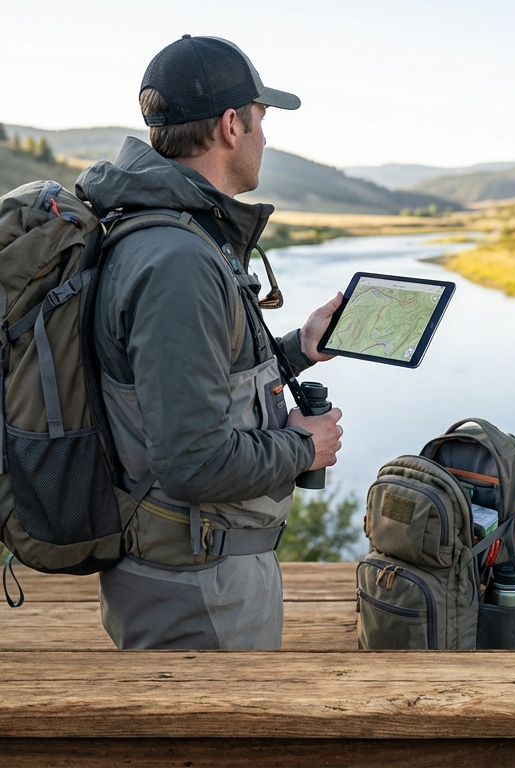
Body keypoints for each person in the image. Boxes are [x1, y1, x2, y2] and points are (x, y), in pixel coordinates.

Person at [74, 35, 345, 649]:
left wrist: (299, 345)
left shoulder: (172, 234)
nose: (266, 139)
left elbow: (186, 379)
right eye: (261, 121)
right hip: (197, 594)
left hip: (199, 576)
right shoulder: (177, 259)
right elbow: (194, 462)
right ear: (230, 125)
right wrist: (304, 448)